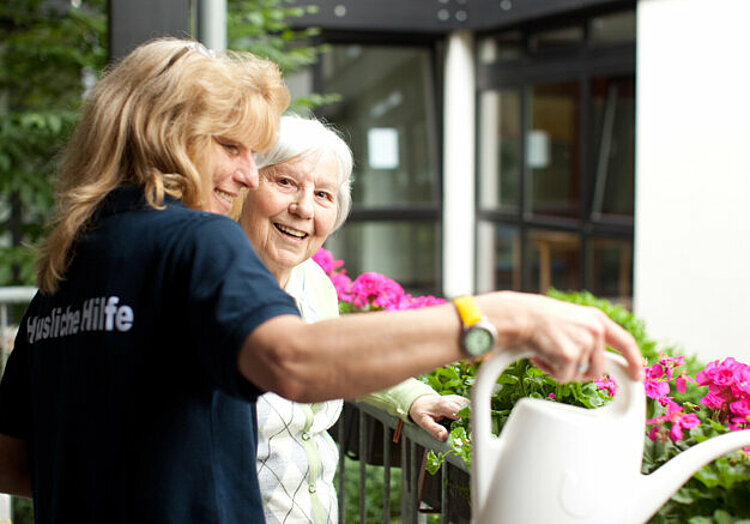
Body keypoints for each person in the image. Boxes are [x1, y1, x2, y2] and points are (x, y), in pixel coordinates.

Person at [0, 37, 644, 524]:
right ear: (167, 136)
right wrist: (499, 319)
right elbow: (294, 361)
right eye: (232, 146)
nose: (249, 175)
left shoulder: (71, 264)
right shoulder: (195, 237)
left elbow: (15, 460)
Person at [238, 114, 466, 523]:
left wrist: (412, 398)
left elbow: (336, 358)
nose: (303, 207)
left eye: (323, 194)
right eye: (285, 182)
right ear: (245, 184)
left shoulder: (314, 282)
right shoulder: (215, 283)